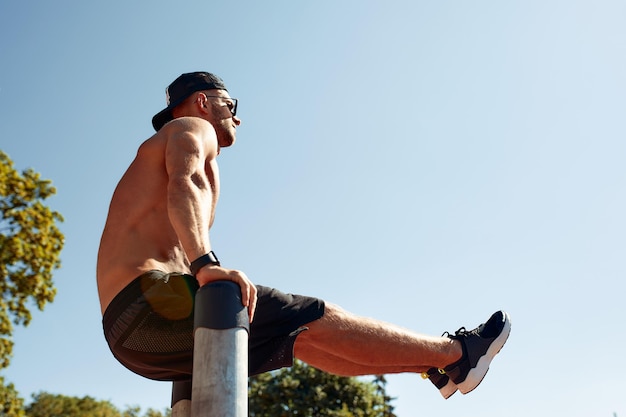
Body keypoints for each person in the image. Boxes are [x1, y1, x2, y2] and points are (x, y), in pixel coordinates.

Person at [97, 71, 511, 400]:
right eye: (230, 104)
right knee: (313, 312)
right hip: (149, 303)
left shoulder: (168, 151)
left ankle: (436, 367)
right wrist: (206, 264)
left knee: (304, 341)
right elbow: (184, 183)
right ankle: (460, 353)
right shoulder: (191, 126)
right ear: (204, 102)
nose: (236, 117)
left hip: (129, 334)